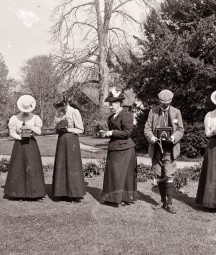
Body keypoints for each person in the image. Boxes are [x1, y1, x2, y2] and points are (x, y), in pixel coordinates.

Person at [144, 89, 184, 213]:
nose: (165, 105)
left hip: (170, 149)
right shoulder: (153, 111)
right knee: (159, 174)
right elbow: (147, 128)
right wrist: (151, 137)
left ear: (171, 101)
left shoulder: (176, 112)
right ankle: (162, 202)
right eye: (162, 103)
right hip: (156, 148)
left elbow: (181, 130)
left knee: (169, 174)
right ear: (160, 101)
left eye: (167, 103)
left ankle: (170, 203)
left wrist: (174, 137)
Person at [4, 95, 45, 201]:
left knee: (32, 167)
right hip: (19, 145)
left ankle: (34, 193)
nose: (26, 111)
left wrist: (31, 127)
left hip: (31, 145)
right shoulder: (15, 118)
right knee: (19, 167)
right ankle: (19, 193)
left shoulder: (35, 118)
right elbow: (12, 132)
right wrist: (19, 137)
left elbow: (39, 132)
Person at [102, 87, 137, 207]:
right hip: (114, 147)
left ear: (118, 104)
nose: (110, 107)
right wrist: (106, 133)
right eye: (109, 104)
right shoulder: (110, 117)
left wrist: (112, 133)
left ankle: (122, 198)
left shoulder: (126, 115)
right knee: (112, 173)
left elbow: (127, 133)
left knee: (120, 174)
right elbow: (114, 131)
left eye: (112, 104)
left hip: (125, 149)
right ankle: (111, 198)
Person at [52, 96, 86, 202]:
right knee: (61, 164)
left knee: (72, 165)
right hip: (62, 140)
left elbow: (80, 129)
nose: (61, 107)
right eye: (59, 106)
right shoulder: (59, 113)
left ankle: (74, 193)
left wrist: (68, 129)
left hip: (71, 140)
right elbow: (55, 125)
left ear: (66, 103)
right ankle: (61, 192)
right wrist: (57, 126)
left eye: (62, 105)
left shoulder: (75, 112)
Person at [196, 91, 216, 209]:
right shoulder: (209, 115)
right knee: (212, 172)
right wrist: (213, 131)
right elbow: (207, 133)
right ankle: (210, 203)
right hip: (213, 145)